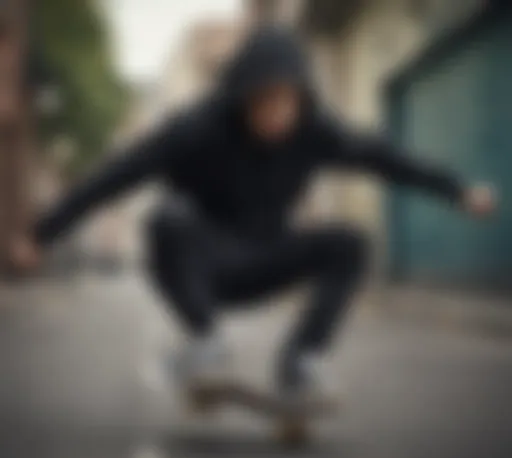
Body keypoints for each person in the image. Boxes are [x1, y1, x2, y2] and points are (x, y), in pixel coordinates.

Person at [10, 25, 495, 399]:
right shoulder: (197, 128)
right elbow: (116, 175)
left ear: (302, 98)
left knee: (350, 243)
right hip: (202, 267)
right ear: (241, 97)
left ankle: (301, 362)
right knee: (164, 218)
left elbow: (384, 158)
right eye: (263, 102)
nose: (275, 115)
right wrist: (42, 234)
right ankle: (204, 343)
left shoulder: (315, 129)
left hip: (266, 260)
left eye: (286, 102)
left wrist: (456, 191)